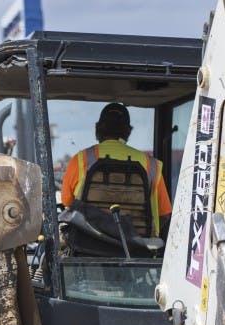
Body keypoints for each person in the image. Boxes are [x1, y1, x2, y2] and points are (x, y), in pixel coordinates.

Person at [61, 102, 173, 239]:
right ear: (128, 131)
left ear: (98, 129)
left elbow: (68, 204)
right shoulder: (151, 165)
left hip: (88, 246)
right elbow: (164, 215)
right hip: (138, 248)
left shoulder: (80, 160)